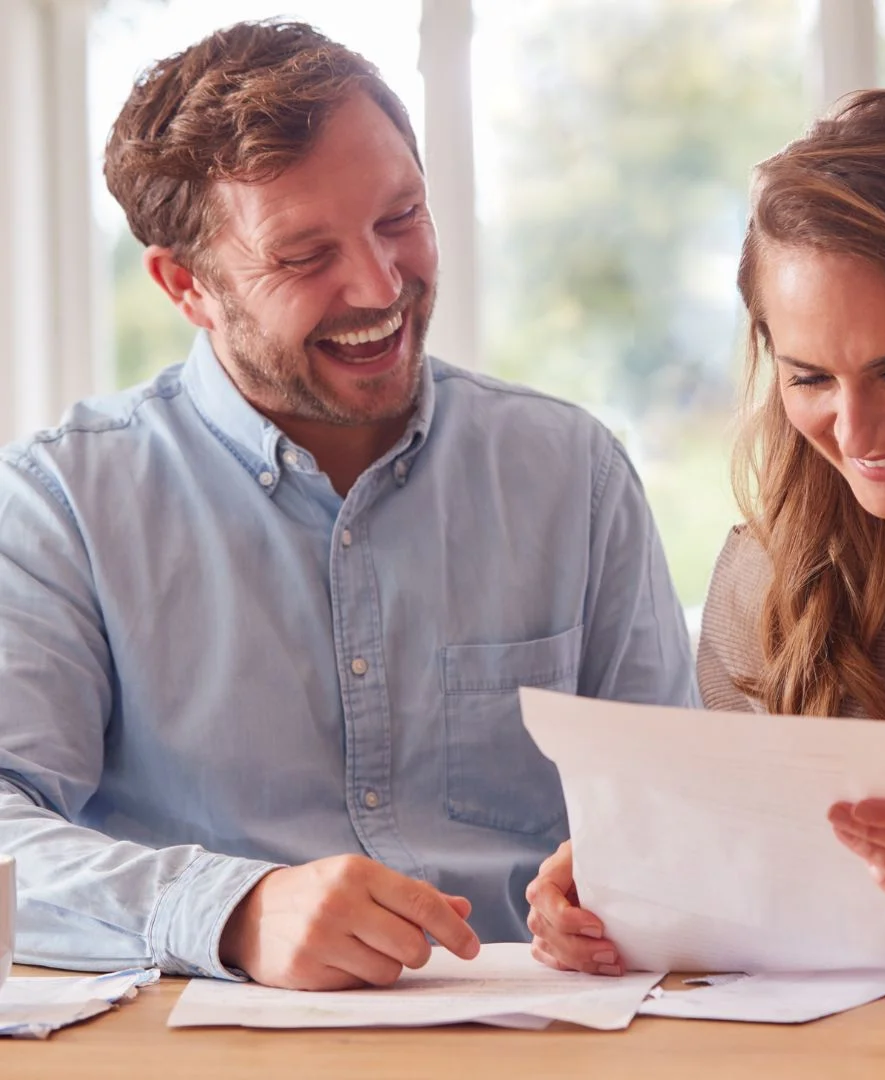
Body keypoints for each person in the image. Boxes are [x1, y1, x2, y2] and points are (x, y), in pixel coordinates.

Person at [0, 20, 696, 991]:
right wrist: (232, 912)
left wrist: (642, 880)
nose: (379, 285)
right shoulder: (60, 503)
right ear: (186, 286)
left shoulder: (571, 472)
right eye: (303, 255)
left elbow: (682, 809)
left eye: (400, 216)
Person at [526, 88, 885, 976]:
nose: (854, 434)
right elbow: (766, 894)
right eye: (811, 377)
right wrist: (629, 885)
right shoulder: (767, 576)